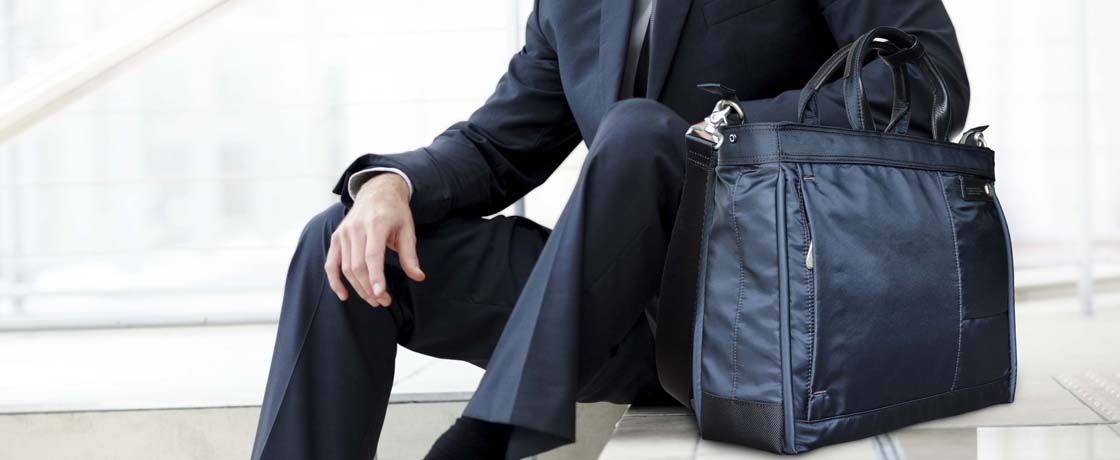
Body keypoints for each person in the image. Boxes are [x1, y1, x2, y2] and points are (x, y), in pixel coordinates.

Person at [250, 0, 970, 458]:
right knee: (340, 241)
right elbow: (498, 148)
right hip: (623, 320)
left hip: (774, 318)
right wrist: (388, 184)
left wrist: (726, 132)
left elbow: (928, 78)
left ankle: (488, 439)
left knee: (638, 133)